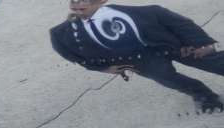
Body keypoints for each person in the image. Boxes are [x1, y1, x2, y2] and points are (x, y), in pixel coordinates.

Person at [50, 0, 224, 111]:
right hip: (142, 61)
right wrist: (104, 68)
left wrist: (203, 43)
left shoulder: (146, 12)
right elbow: (76, 56)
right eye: (74, 1)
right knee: (169, 79)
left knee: (213, 62)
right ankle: (205, 96)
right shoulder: (61, 34)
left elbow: (182, 24)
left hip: (172, 45)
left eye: (85, 1)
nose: (78, 4)